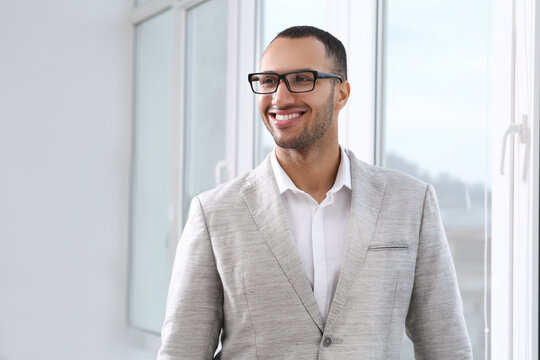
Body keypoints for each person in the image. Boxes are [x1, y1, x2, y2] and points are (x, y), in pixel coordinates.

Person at [157, 25, 472, 360]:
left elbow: (446, 345)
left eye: (301, 79)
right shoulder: (214, 213)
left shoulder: (411, 202)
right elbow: (182, 351)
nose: (279, 97)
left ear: (342, 93)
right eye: (268, 81)